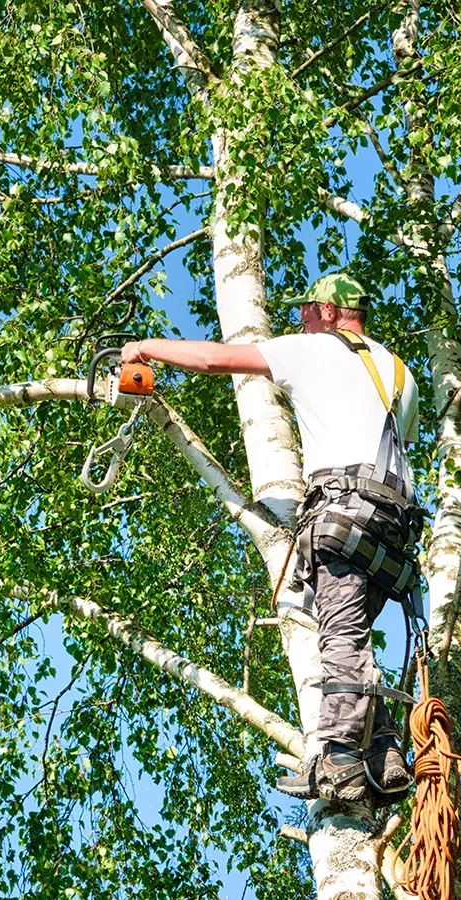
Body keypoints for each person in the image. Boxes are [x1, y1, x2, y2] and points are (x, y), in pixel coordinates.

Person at [121, 273, 420, 805]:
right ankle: (384, 751)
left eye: (306, 310)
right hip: (393, 529)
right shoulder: (399, 372)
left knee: (339, 637)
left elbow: (217, 360)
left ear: (329, 312)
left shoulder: (314, 350)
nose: (300, 319)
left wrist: (146, 348)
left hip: (344, 516)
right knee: (351, 634)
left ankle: (340, 760)